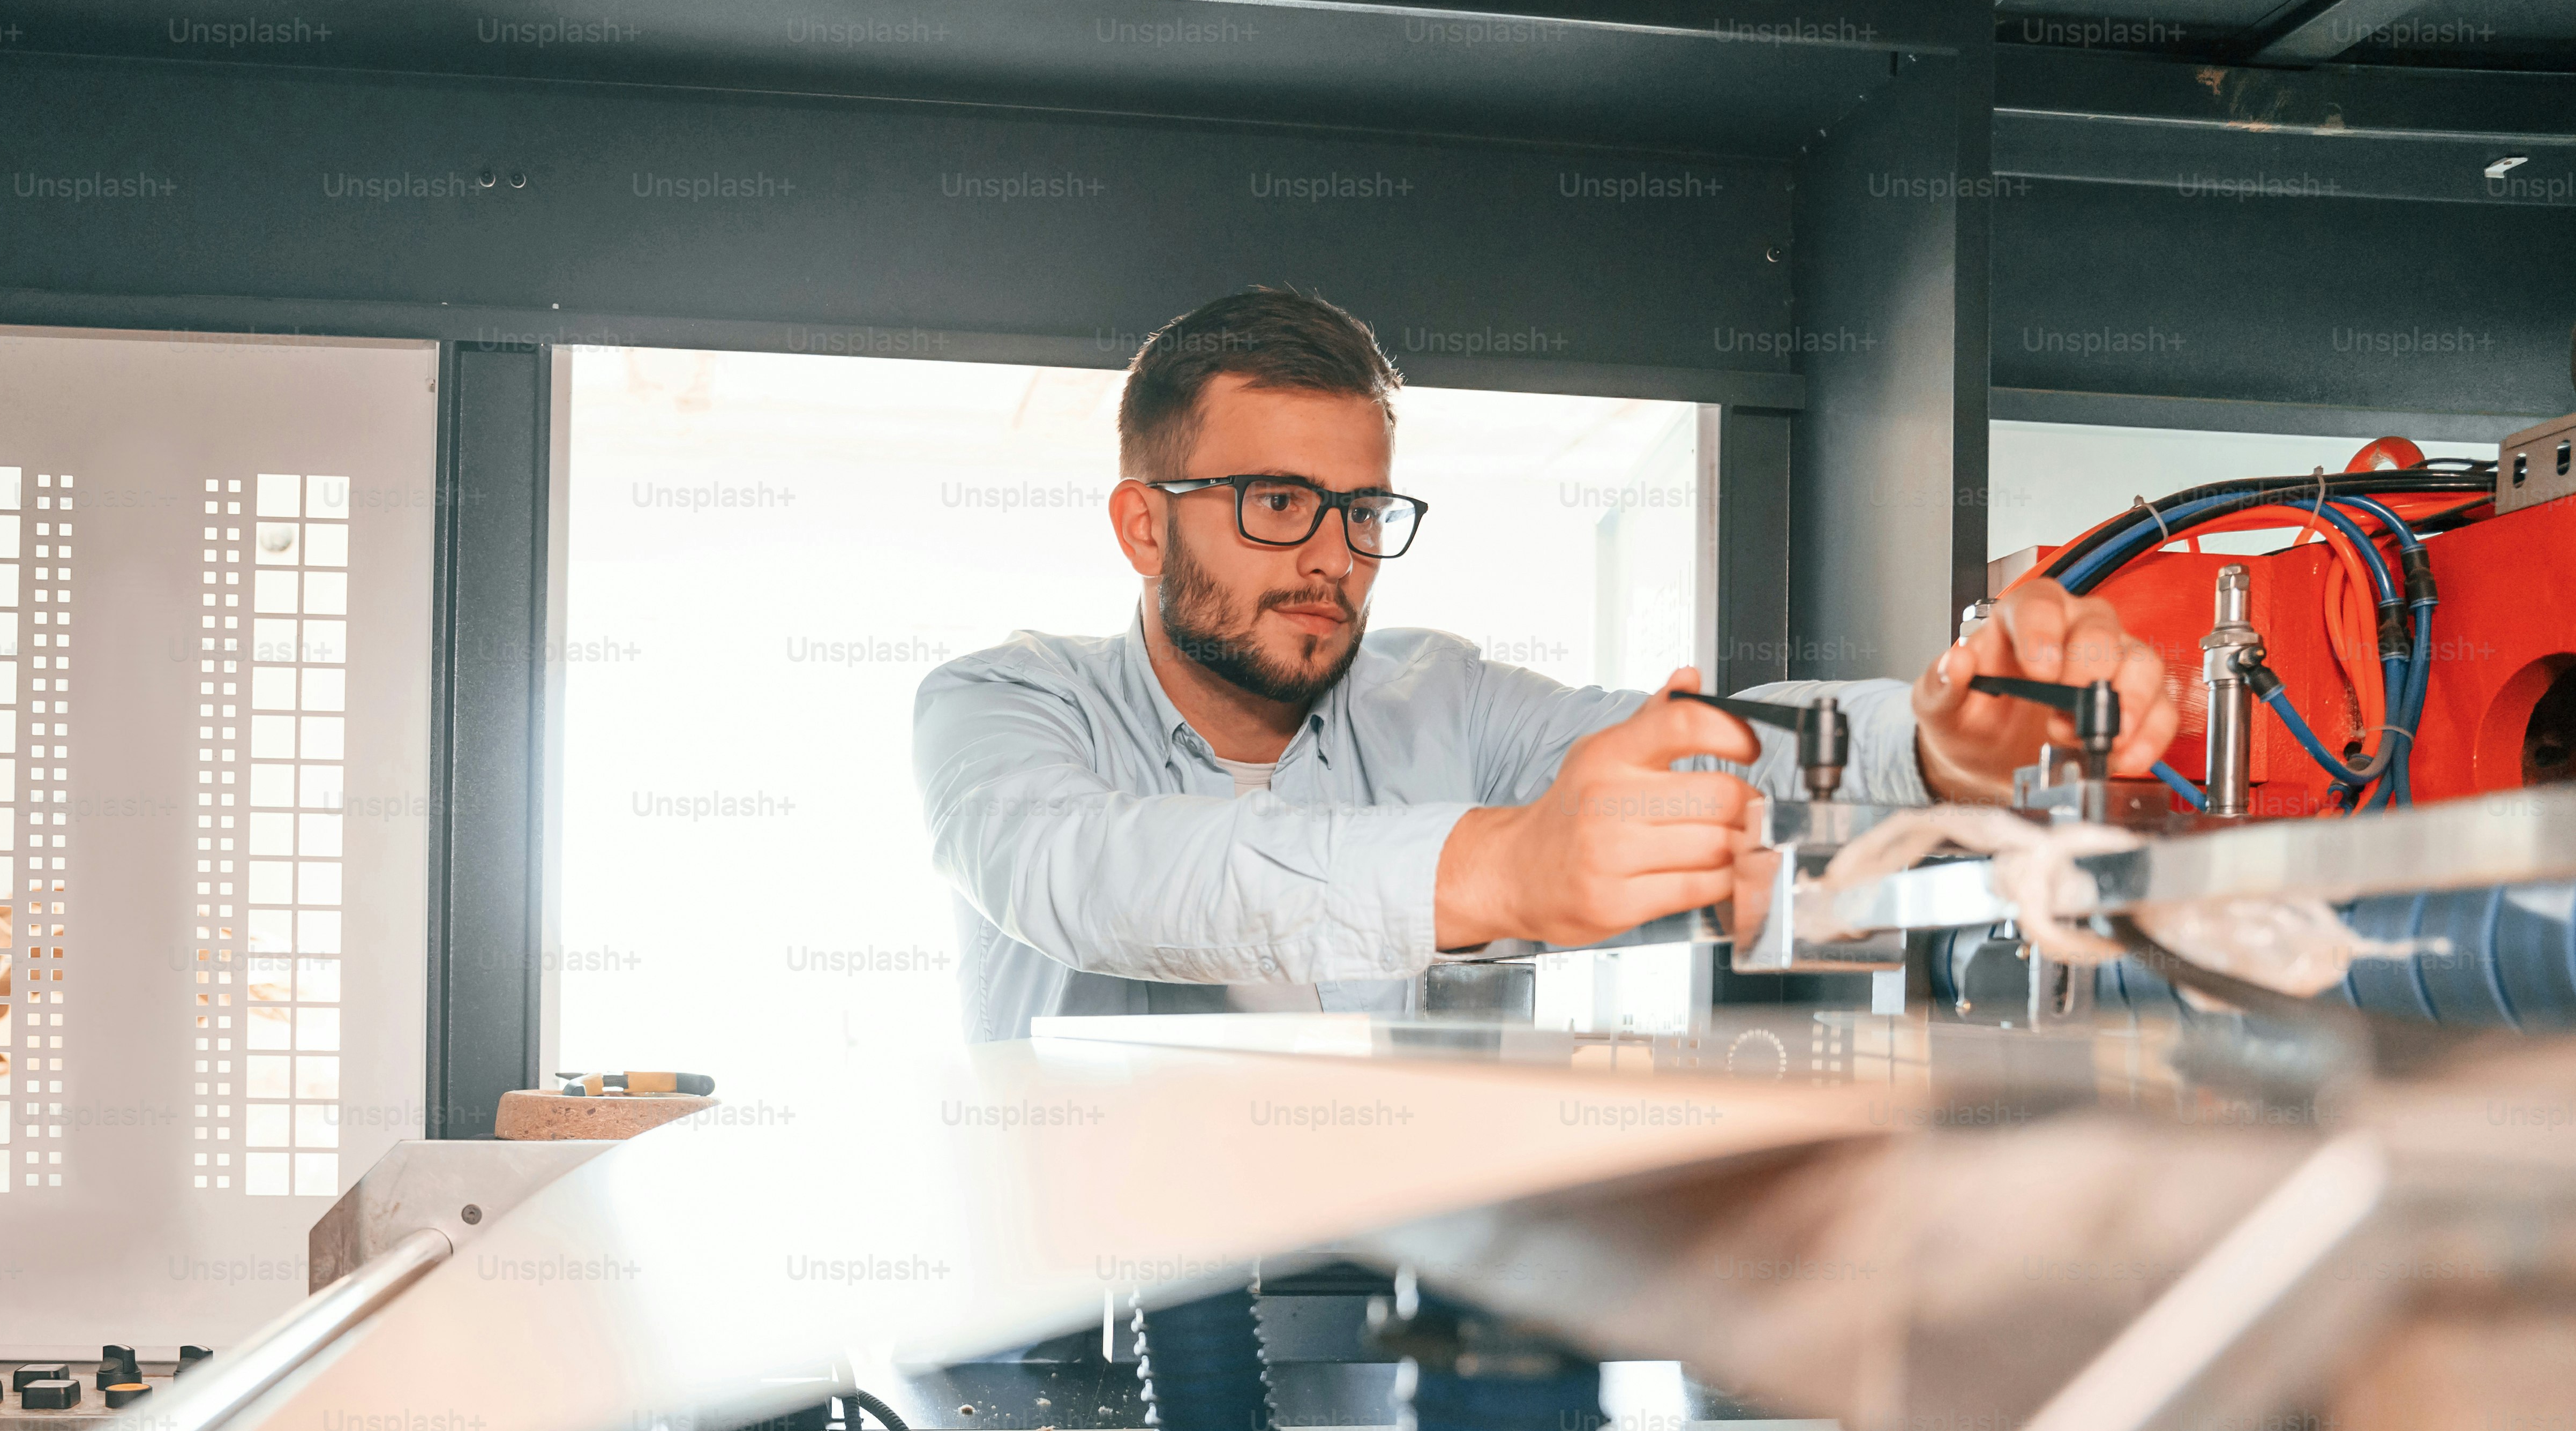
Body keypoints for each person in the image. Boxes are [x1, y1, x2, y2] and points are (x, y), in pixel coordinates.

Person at [913, 286, 2176, 1042]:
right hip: (1067, 1359)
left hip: (1388, 1331)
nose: (1333, 558)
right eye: (1275, 503)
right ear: (1145, 521)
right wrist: (1507, 867)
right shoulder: (1003, 702)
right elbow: (1097, 879)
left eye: (1363, 511)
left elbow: (1695, 741)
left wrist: (1939, 740)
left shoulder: (1437, 697)